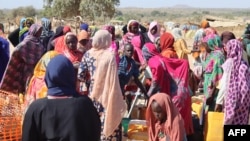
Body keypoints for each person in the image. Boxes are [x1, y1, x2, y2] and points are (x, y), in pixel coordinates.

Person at [22, 54, 101, 141]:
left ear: (48, 77)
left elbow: (28, 137)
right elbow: (95, 133)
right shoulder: (85, 105)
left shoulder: (36, 108)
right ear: (72, 76)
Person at [78, 30, 126, 140]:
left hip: (93, 95)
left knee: (94, 122)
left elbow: (80, 75)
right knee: (110, 117)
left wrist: (91, 82)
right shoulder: (110, 56)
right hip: (109, 95)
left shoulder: (87, 54)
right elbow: (114, 78)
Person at [142, 42, 193, 136]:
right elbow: (184, 62)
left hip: (173, 96)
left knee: (171, 122)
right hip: (181, 93)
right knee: (178, 123)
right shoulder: (161, 57)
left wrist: (149, 93)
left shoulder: (153, 60)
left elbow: (157, 69)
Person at [0, 24, 44, 94]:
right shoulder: (41, 45)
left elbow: (14, 55)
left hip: (23, 71)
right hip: (35, 72)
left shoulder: (24, 43)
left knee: (22, 90)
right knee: (30, 89)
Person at [215, 40, 250, 125]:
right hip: (245, 99)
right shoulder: (245, 65)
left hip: (232, 99)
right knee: (242, 122)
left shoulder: (229, 63)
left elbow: (224, 84)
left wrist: (218, 102)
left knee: (230, 122)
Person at [118, 43, 148, 110]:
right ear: (124, 51)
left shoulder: (133, 64)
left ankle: (128, 114)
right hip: (115, 87)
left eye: (131, 51)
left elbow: (136, 79)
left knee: (128, 96)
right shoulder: (119, 61)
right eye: (128, 51)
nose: (130, 52)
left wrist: (145, 92)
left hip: (121, 88)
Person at [200, 35, 225, 112]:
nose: (205, 46)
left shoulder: (216, 55)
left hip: (213, 86)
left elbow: (218, 74)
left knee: (212, 108)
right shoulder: (214, 54)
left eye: (206, 44)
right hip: (211, 86)